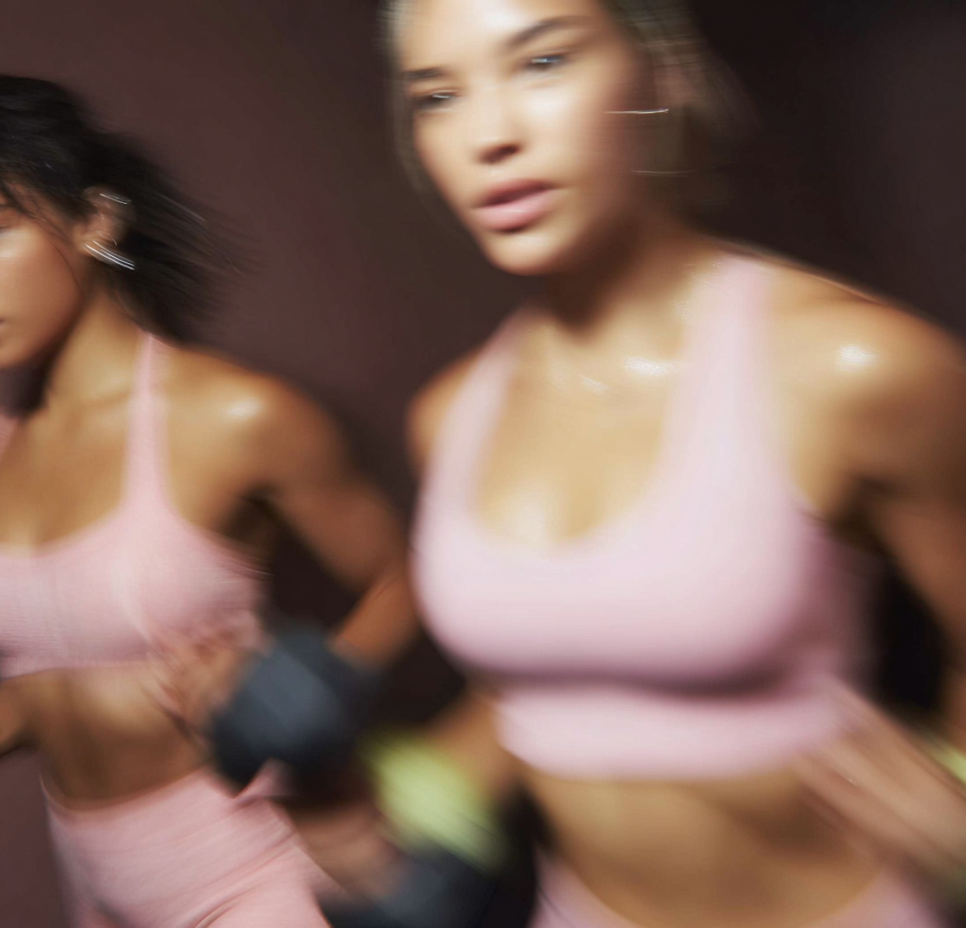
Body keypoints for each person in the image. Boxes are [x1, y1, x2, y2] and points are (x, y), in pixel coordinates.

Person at [353, 0, 966, 925]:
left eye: (543, 63)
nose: (489, 136)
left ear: (664, 72)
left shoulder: (855, 368)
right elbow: (544, 686)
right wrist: (396, 805)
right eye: (438, 97)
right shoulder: (449, 414)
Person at [0, 73, 417, 928]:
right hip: (95, 879)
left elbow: (406, 578)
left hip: (251, 863)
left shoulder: (233, 416)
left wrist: (304, 683)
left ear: (96, 220)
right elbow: (53, 675)